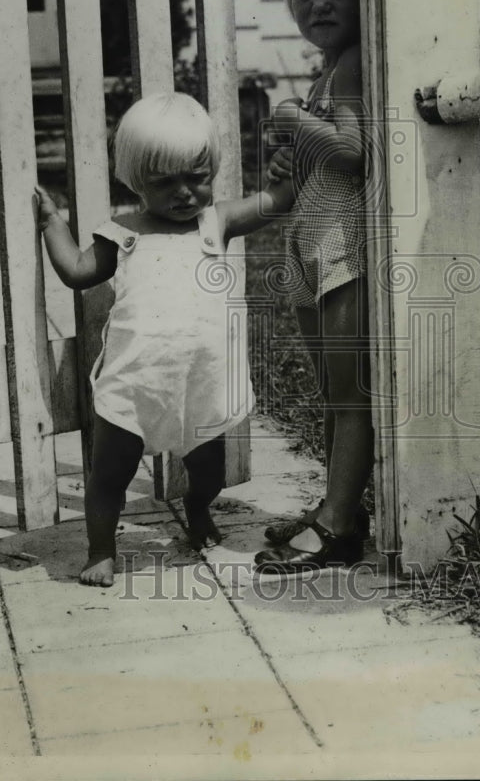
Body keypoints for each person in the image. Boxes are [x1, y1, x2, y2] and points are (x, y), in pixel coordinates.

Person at [36, 92, 293, 587]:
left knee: (210, 474)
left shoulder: (215, 221)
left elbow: (275, 204)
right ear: (136, 180)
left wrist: (287, 171)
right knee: (109, 475)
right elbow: (75, 271)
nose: (183, 193)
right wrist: (53, 224)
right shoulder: (123, 232)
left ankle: (199, 515)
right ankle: (101, 551)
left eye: (197, 178)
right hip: (136, 380)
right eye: (164, 181)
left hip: (202, 380)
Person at [254, 0, 374, 577]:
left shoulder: (352, 66)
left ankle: (337, 527)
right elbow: (321, 159)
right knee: (334, 395)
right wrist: (288, 157)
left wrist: (296, 120)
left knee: (349, 396)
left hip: (343, 257)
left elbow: (355, 152)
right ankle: (338, 508)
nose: (318, 4)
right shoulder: (327, 69)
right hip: (314, 251)